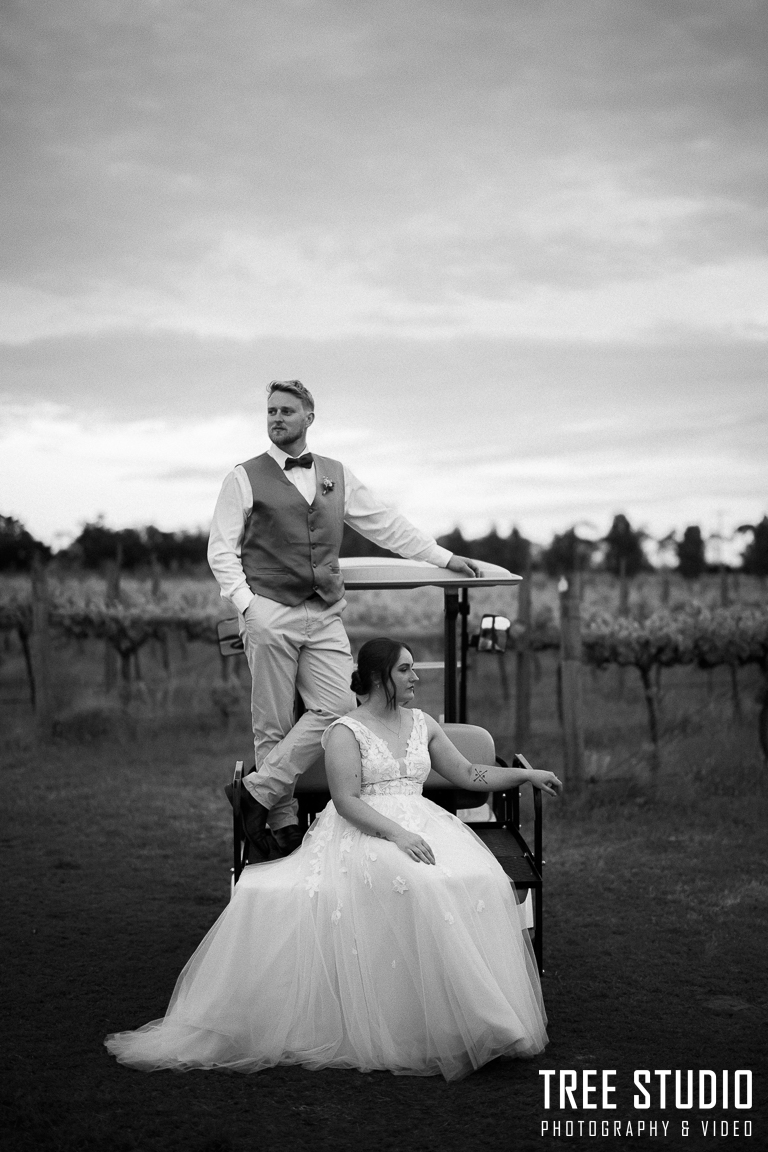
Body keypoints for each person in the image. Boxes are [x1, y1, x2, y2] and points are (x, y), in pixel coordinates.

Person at [105, 638, 562, 1081]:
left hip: (423, 823)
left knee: (482, 878)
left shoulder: (423, 723)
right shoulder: (346, 730)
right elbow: (346, 801)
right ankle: (435, 1024)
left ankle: (480, 1019)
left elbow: (467, 772)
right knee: (420, 881)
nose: (415, 677)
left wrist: (527, 775)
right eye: (404, 669)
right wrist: (397, 834)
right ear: (379, 677)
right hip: (365, 829)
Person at [207, 379, 480, 858]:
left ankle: (255, 792)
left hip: (324, 611)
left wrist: (442, 557)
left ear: (309, 417)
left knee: (336, 708)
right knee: (272, 722)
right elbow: (221, 550)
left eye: (287, 411)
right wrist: (250, 607)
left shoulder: (335, 474)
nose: (276, 418)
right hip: (269, 609)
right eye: (271, 411)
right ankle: (283, 823)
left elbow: (385, 524)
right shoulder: (243, 477)